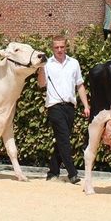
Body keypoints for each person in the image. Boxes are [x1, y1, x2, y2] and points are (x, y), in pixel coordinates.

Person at [37, 36, 90, 184]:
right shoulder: (47, 65)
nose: (59, 50)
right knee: (64, 140)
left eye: (62, 47)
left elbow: (80, 85)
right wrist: (41, 68)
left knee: (61, 140)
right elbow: (41, 84)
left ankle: (53, 171)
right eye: (56, 47)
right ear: (52, 48)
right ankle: (72, 173)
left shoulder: (74, 63)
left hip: (69, 107)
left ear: (66, 47)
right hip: (54, 106)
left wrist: (86, 105)